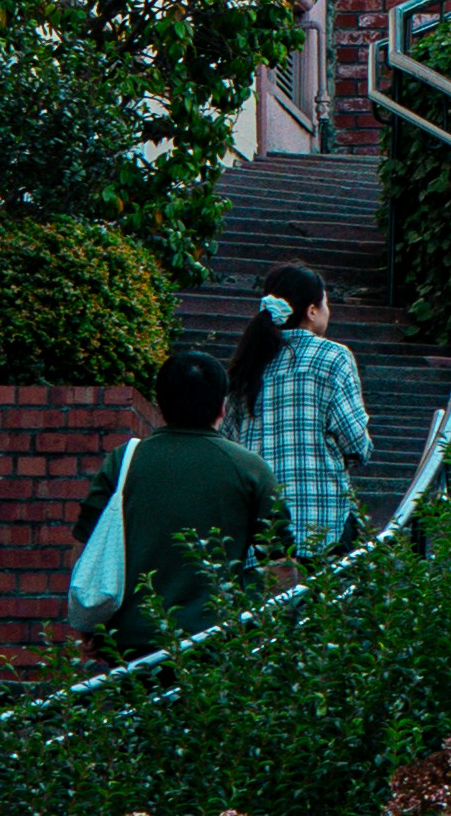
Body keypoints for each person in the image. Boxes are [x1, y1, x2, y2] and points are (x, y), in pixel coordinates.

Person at [100, 355, 283, 632]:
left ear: (159, 402)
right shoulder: (250, 469)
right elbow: (280, 562)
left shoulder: (123, 461)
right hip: (219, 638)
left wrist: (92, 624)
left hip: (131, 639)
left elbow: (89, 541)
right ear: (223, 405)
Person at [238, 265, 373, 557]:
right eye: (325, 303)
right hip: (323, 524)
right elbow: (356, 443)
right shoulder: (333, 357)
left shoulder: (247, 362)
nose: (328, 310)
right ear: (312, 311)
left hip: (260, 532)